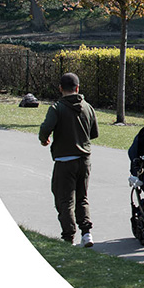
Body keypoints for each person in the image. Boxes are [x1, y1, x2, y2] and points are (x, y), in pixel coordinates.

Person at [39, 72, 99, 246]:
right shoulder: (88, 107)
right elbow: (93, 133)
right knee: (82, 197)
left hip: (65, 161)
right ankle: (86, 232)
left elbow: (46, 128)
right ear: (77, 88)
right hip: (85, 160)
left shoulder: (57, 108)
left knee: (64, 200)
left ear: (60, 89)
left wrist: (44, 139)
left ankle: (68, 236)